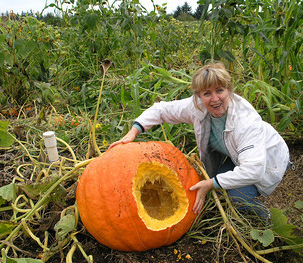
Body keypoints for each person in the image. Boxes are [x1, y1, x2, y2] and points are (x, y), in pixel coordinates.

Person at [109, 62, 290, 221]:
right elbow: (161, 110)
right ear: (199, 96)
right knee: (216, 183)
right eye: (207, 93)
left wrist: (211, 184)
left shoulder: (246, 121)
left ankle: (264, 219)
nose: (215, 99)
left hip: (267, 160)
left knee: (237, 198)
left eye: (220, 90)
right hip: (238, 157)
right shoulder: (196, 106)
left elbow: (254, 170)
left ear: (229, 90)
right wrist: (133, 132)